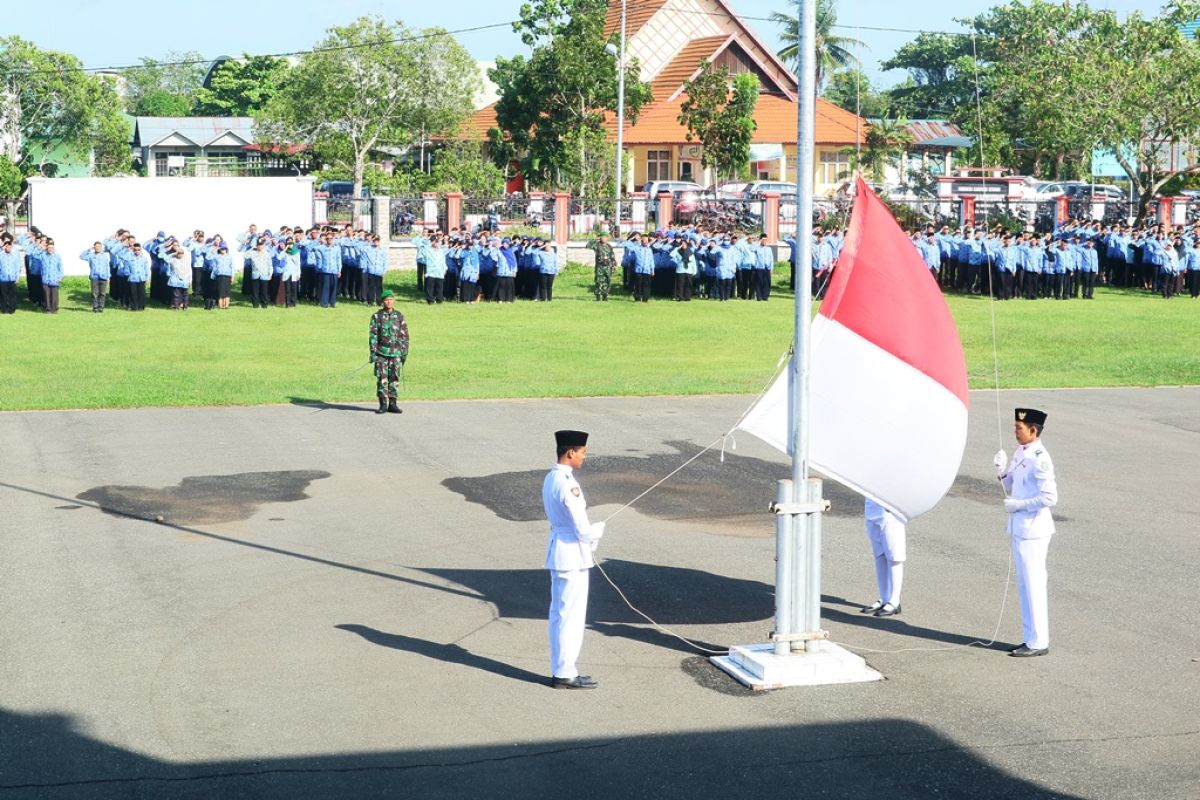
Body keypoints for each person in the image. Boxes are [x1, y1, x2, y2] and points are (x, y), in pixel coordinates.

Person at [993, 407, 1058, 658]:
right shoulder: (1021, 451)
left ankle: (1039, 641)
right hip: (1020, 527)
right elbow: (1010, 484)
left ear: (1034, 430)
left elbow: (1050, 497)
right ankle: (1030, 638)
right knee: (1024, 585)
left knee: (1033, 585)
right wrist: (1000, 471)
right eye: (1015, 428)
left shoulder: (1039, 457)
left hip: (1034, 529)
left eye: (1019, 429)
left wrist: (1019, 505)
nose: (1015, 432)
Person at [543, 429, 605, 689]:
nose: (583, 457)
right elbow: (582, 528)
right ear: (571, 452)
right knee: (571, 617)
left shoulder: (551, 478)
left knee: (560, 614)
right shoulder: (569, 484)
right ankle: (565, 671)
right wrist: (598, 531)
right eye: (582, 452)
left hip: (560, 551)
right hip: (572, 555)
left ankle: (563, 668)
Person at [860, 498, 905, 617]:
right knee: (879, 554)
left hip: (891, 506)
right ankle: (884, 598)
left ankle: (895, 601)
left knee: (894, 554)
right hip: (872, 505)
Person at [368, 290, 410, 414]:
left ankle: (393, 403)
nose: (389, 302)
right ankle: (383, 404)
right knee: (382, 378)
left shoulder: (400, 316)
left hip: (396, 353)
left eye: (391, 299)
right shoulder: (377, 316)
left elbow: (405, 335)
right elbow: (373, 336)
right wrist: (373, 352)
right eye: (386, 300)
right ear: (382, 302)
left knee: (395, 378)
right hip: (382, 352)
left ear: (394, 301)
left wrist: (404, 351)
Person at [589, 233, 615, 301]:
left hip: (608, 267)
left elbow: (612, 256)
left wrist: (613, 266)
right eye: (602, 237)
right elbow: (588, 245)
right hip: (600, 267)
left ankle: (605, 295)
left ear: (607, 238)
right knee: (598, 281)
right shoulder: (597, 245)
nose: (604, 239)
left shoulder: (609, 246)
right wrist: (595, 239)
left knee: (607, 281)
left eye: (605, 237)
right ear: (600, 238)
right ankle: (598, 296)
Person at [0, 236, 21, 313]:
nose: (8, 247)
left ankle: (12, 309)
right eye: (6, 246)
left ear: (11, 247)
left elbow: (17, 266)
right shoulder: (1, 255)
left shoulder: (14, 256)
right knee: (3, 295)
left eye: (9, 246)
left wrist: (17, 277)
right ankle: (4, 309)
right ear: (4, 247)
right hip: (3, 278)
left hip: (12, 278)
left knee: (13, 295)